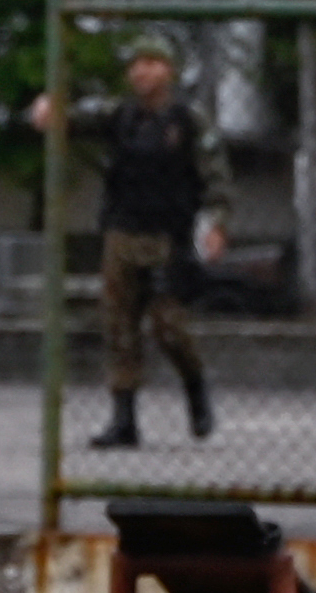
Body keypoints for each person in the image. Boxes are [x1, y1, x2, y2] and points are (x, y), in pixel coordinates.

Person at [32, 44, 221, 448]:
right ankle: (124, 419)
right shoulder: (121, 117)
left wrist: (217, 223)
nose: (141, 73)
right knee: (119, 327)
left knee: (169, 327)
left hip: (168, 235)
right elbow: (75, 121)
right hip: (122, 230)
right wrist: (52, 111)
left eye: (151, 64)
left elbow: (215, 175)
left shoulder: (188, 120)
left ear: (168, 71)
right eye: (135, 65)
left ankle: (196, 387)